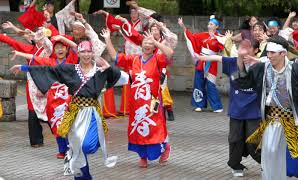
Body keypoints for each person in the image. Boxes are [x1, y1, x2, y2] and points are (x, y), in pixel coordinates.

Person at [10, 40, 127, 179]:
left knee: (87, 146)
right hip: (75, 113)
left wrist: (109, 68)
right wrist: (24, 67)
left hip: (92, 114)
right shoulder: (70, 69)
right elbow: (49, 70)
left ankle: (81, 155)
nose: (86, 54)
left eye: (88, 51)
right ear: (78, 53)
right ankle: (83, 176)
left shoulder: (100, 70)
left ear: (93, 53)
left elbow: (124, 77)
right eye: (82, 51)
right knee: (78, 146)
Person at [233, 35, 298, 180]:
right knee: (269, 156)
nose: (268, 55)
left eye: (272, 53)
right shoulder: (261, 69)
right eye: (268, 52)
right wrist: (240, 60)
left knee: (294, 168)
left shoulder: (297, 70)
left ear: (283, 53)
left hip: (290, 122)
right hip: (270, 121)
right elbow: (243, 83)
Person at [102, 28, 173, 168]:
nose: (147, 45)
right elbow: (115, 57)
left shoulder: (158, 59)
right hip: (136, 103)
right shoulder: (134, 59)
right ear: (141, 45)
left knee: (155, 128)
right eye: (145, 43)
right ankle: (143, 157)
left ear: (154, 46)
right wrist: (107, 39)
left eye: (150, 43)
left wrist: (156, 42)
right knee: (138, 129)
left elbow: (170, 53)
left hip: (152, 102)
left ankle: (165, 147)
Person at [196, 39, 262, 177]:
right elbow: (216, 57)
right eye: (241, 47)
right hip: (237, 109)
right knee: (234, 138)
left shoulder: (260, 65)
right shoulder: (232, 62)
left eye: (247, 47)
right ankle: (236, 165)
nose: (243, 50)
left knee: (253, 141)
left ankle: (266, 163)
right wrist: (200, 57)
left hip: (253, 110)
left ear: (255, 50)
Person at [10, 34, 78, 158]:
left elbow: (75, 47)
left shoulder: (71, 61)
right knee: (57, 125)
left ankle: (72, 148)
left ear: (67, 50)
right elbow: (36, 61)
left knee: (71, 125)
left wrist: (62, 39)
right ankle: (62, 150)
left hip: (70, 98)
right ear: (54, 50)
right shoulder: (51, 62)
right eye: (57, 48)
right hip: (55, 100)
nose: (60, 50)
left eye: (62, 47)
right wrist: (21, 63)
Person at [178, 16, 224, 113]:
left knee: (211, 84)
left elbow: (224, 47)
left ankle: (217, 106)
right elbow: (192, 37)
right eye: (208, 24)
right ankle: (199, 104)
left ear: (217, 26)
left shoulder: (220, 37)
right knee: (198, 82)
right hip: (201, 61)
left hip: (211, 62)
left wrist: (218, 38)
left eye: (211, 24)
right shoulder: (203, 35)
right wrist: (183, 27)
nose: (209, 25)